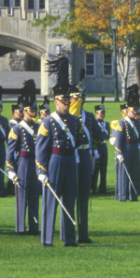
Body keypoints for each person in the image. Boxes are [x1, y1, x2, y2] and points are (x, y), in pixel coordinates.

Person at [35, 91, 79, 247]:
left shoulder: (75, 120)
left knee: (69, 199)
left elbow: (79, 140)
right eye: (63, 101)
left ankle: (70, 238)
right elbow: (40, 148)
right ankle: (47, 238)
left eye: (68, 101)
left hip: (70, 160)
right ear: (56, 102)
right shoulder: (48, 121)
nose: (66, 104)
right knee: (51, 201)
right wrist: (41, 170)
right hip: (55, 161)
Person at [70, 87, 100, 243]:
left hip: (85, 156)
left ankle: (83, 234)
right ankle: (68, 234)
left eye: (81, 98)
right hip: (72, 157)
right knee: (69, 196)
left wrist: (94, 142)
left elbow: (100, 134)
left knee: (83, 196)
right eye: (76, 98)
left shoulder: (88, 116)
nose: (79, 101)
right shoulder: (67, 117)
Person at [6, 101, 41, 235]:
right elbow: (10, 151)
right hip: (23, 162)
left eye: (35, 110)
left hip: (35, 163)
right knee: (22, 195)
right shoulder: (17, 128)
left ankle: (34, 226)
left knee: (34, 195)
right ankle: (20, 227)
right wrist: (11, 169)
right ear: (24, 111)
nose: (34, 112)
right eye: (31, 110)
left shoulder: (39, 126)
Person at [113, 99, 140, 202]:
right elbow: (118, 139)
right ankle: (122, 196)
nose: (135, 113)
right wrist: (119, 152)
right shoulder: (122, 123)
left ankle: (133, 195)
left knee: (135, 172)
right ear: (128, 111)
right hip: (126, 149)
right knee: (124, 174)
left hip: (135, 149)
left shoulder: (138, 123)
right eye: (133, 110)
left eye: (136, 111)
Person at [92, 104, 109, 195]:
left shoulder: (107, 124)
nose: (102, 115)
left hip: (103, 147)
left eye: (103, 113)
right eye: (100, 113)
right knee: (95, 169)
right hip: (96, 147)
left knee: (103, 169)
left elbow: (107, 136)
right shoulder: (94, 123)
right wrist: (94, 149)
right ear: (96, 113)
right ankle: (93, 189)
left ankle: (103, 188)